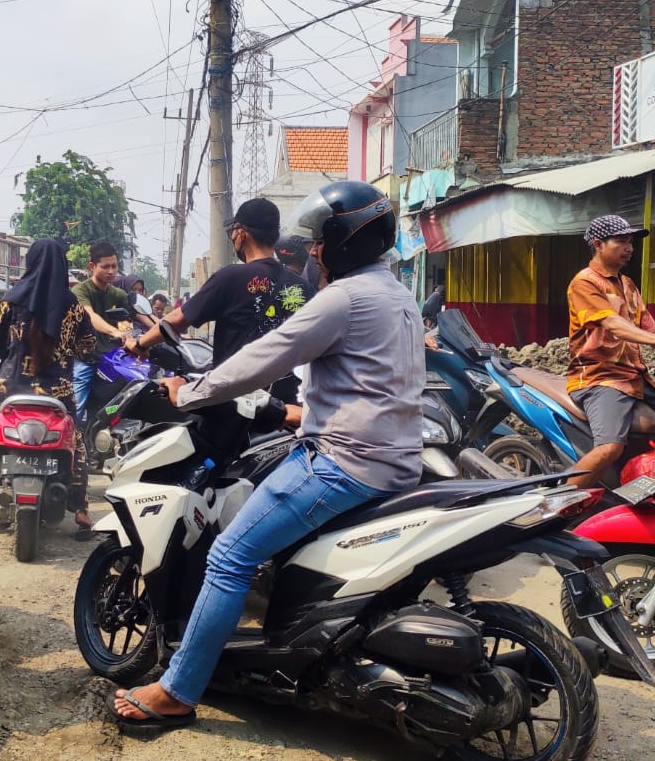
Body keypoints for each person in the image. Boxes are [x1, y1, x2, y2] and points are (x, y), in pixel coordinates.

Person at [112, 181, 422, 730]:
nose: (312, 255)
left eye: (320, 244)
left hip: (343, 462)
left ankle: (178, 690)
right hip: (396, 458)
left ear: (344, 243)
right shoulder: (397, 293)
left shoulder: (342, 299)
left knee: (230, 555)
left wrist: (192, 391)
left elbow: (263, 359)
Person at [0, 238, 99, 536]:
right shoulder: (74, 307)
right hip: (58, 393)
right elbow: (88, 350)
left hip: (11, 389)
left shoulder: (10, 300)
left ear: (30, 262)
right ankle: (83, 514)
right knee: (77, 444)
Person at [129, 198, 310, 403]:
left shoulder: (231, 277)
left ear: (241, 233)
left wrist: (140, 344)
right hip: (289, 404)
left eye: (234, 231)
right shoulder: (303, 287)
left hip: (237, 402)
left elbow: (176, 321)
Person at [564, 215, 655, 488]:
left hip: (636, 378)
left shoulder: (628, 284)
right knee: (609, 448)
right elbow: (613, 324)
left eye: (630, 241)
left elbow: (649, 326)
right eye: (621, 241)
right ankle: (555, 504)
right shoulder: (585, 283)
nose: (629, 247)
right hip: (601, 378)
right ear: (598, 244)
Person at [71, 242, 132, 422]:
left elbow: (126, 321)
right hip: (86, 359)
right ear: (92, 266)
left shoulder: (119, 295)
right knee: (76, 407)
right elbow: (89, 315)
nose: (111, 271)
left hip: (111, 360)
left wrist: (129, 336)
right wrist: (115, 332)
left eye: (114, 266)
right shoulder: (80, 291)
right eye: (105, 266)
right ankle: (72, 442)